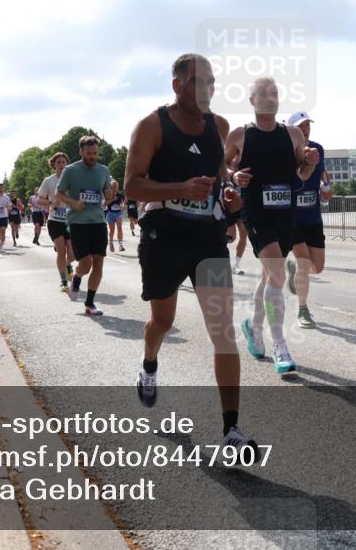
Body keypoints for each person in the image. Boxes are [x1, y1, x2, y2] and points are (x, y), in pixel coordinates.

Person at [126, 52, 259, 456]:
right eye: (199, 83)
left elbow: (218, 177)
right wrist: (180, 189)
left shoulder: (218, 125)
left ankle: (231, 430)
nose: (207, 90)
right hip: (164, 235)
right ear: (177, 85)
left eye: (212, 83)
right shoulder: (152, 126)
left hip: (207, 239)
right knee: (161, 322)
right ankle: (150, 363)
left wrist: (230, 194)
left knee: (223, 332)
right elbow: (132, 185)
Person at [225, 76, 319, 375]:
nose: (270, 97)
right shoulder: (240, 135)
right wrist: (233, 176)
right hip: (257, 213)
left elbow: (301, 175)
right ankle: (280, 344)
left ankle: (253, 327)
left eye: (275, 93)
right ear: (252, 100)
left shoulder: (293, 135)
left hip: (285, 214)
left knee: (270, 276)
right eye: (263, 93)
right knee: (278, 272)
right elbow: (222, 166)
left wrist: (310, 163)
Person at [284, 111, 331, 329]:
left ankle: (293, 266)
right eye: (300, 126)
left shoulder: (318, 149)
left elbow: (321, 173)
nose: (305, 129)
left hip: (312, 215)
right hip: (292, 216)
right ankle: (302, 309)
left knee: (317, 267)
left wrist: (325, 188)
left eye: (308, 125)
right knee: (304, 262)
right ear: (291, 128)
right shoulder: (285, 150)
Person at [57, 136, 114, 315]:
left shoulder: (103, 170)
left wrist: (109, 191)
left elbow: (108, 194)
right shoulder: (70, 170)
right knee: (86, 263)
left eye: (95, 153)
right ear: (81, 152)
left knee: (98, 262)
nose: (92, 156)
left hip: (98, 220)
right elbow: (59, 194)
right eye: (88, 153)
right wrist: (73, 202)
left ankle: (90, 303)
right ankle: (76, 277)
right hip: (78, 222)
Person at [38, 152, 76, 291]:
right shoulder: (49, 180)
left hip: (70, 221)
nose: (61, 164)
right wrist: (51, 203)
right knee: (61, 251)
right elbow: (39, 199)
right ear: (53, 164)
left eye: (63, 162)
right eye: (58, 162)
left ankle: (68, 265)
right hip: (54, 220)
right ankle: (64, 280)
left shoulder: (73, 180)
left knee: (72, 254)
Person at [106, 180, 126, 252]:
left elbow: (122, 203)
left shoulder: (120, 195)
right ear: (110, 187)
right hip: (110, 213)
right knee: (112, 230)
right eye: (113, 187)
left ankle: (120, 245)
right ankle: (111, 243)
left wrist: (122, 206)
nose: (115, 188)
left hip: (118, 213)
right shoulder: (108, 194)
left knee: (120, 228)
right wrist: (112, 200)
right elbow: (106, 204)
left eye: (116, 186)